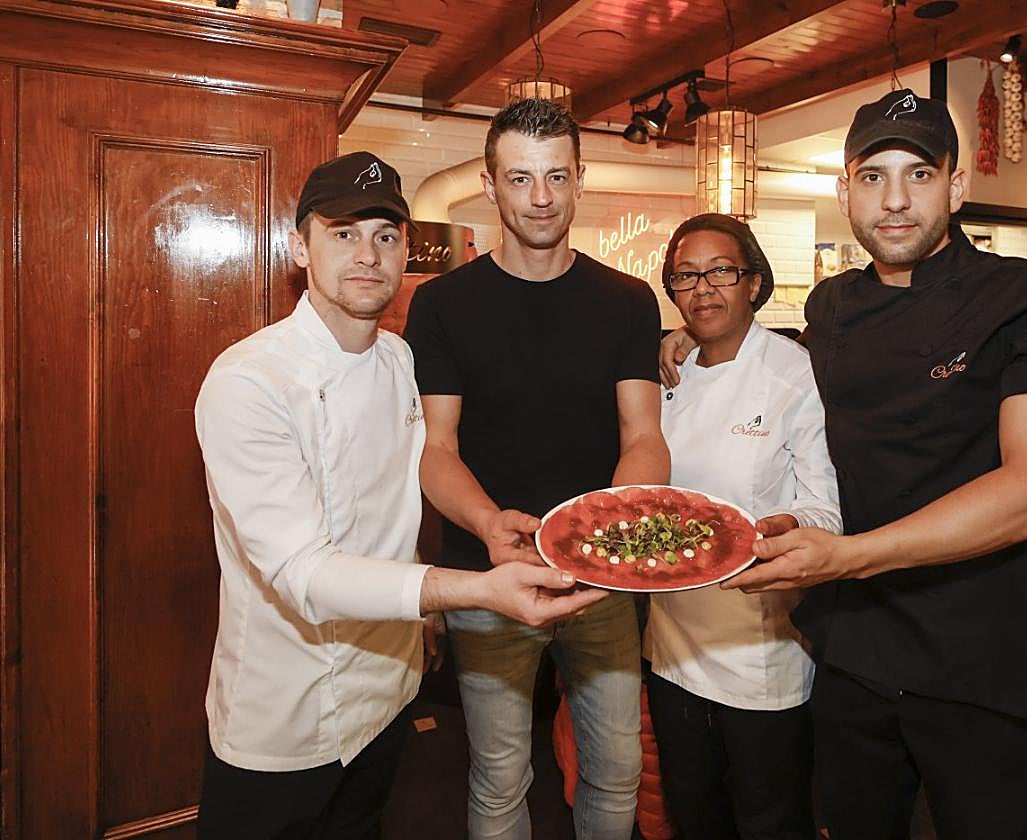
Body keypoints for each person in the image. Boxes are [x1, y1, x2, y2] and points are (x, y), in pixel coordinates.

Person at [661, 90, 1027, 839]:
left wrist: (846, 556)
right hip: (856, 656)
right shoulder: (835, 306)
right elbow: (787, 372)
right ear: (845, 191)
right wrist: (696, 343)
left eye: (919, 174)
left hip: (985, 666)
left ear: (957, 185)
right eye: (873, 177)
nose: (896, 200)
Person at [194, 150, 606, 840]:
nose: (368, 254)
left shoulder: (398, 360)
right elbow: (303, 573)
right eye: (344, 233)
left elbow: (417, 471)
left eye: (385, 236)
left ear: (407, 249)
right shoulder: (249, 381)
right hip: (284, 717)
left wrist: (486, 520)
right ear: (300, 246)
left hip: (385, 698)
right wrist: (476, 591)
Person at [403, 99, 670, 840]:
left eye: (557, 177)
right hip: (488, 575)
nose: (541, 197)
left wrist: (606, 528)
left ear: (581, 180)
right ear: (490, 186)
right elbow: (439, 448)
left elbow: (643, 433)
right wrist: (489, 523)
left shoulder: (626, 300)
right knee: (499, 776)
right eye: (521, 179)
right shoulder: (443, 304)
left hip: (602, 579)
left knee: (616, 768)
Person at [644, 213, 841, 840]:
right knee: (692, 807)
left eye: (720, 272)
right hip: (671, 641)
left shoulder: (794, 374)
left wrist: (787, 526)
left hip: (761, 649)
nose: (703, 289)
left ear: (753, 282)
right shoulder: (665, 375)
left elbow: (825, 508)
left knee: (769, 817)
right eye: (685, 276)